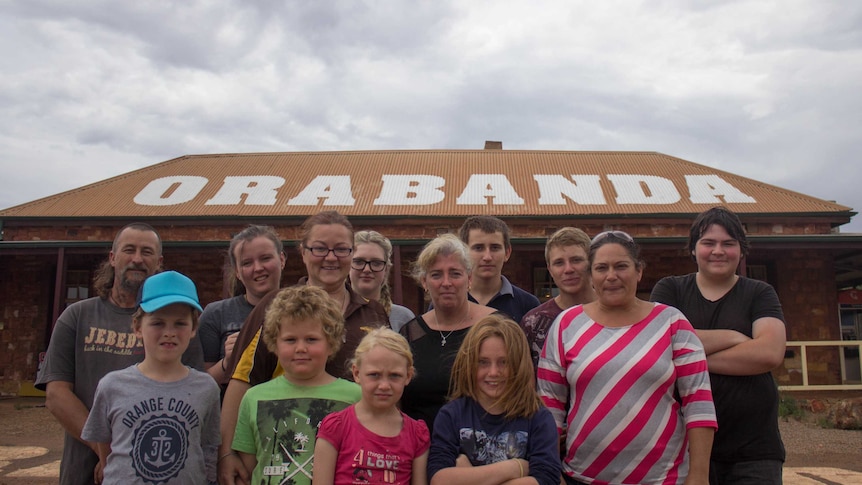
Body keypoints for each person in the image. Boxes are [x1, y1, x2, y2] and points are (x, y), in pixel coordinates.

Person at [218, 211, 388, 485]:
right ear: (303, 252)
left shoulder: (374, 313)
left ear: (352, 253)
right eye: (320, 248)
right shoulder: (274, 306)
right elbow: (241, 380)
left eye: (341, 249)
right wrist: (226, 454)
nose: (330, 257)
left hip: (353, 464)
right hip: (284, 459)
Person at [538, 230, 717, 485]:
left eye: (621, 266)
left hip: (662, 478)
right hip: (582, 477)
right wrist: (551, 470)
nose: (611, 276)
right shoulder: (566, 325)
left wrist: (699, 475)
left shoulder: (672, 323)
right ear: (591, 276)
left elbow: (698, 402)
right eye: (601, 268)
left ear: (639, 271)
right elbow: (549, 405)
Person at [35, 222, 204, 485]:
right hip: (82, 469)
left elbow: (189, 392)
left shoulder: (176, 327)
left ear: (158, 262)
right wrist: (105, 449)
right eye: (129, 250)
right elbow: (57, 395)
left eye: (146, 252)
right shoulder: (77, 317)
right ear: (113, 258)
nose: (137, 259)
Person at [650, 207, 787, 485]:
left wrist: (687, 357)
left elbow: (769, 353)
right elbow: (658, 343)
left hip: (754, 450)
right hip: (682, 446)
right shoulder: (670, 290)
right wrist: (735, 337)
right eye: (708, 243)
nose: (718, 251)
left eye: (728, 243)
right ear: (693, 249)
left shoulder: (760, 293)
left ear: (741, 249)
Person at [81, 271, 220, 484]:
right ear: (137, 327)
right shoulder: (112, 386)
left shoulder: (206, 388)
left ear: (193, 328)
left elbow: (207, 446)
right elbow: (105, 446)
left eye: (180, 323)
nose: (169, 332)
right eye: (158, 323)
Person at [230, 285, 362, 485]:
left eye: (311, 339)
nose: (301, 348)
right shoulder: (253, 398)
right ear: (275, 342)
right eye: (290, 340)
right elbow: (251, 462)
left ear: (331, 342)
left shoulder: (356, 397)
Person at [428, 314, 562, 485]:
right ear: (469, 363)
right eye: (483, 362)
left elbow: (546, 479)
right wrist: (515, 468)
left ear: (518, 364)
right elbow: (439, 479)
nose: (493, 372)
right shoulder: (451, 415)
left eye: (503, 362)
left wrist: (468, 476)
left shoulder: (538, 418)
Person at [398, 234, 497, 432]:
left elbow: (518, 390)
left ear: (469, 279)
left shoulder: (496, 326)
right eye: (436, 275)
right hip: (420, 449)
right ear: (424, 282)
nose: (446, 282)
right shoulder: (410, 333)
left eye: (455, 273)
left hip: (481, 450)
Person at [313, 328, 430, 485]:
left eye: (394, 375)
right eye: (374, 375)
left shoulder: (417, 435)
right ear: (357, 373)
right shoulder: (336, 427)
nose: (384, 385)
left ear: (408, 376)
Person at [198, 225, 285, 388]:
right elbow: (199, 386)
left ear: (282, 260)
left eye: (265, 258)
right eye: (247, 263)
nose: (258, 268)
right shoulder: (216, 314)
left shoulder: (302, 309)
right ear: (237, 272)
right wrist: (228, 361)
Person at [520, 227, 596, 369]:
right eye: (559, 263)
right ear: (550, 269)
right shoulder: (533, 323)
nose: (568, 269)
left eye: (576, 260)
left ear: (591, 263)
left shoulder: (614, 312)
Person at [458, 216, 539, 322]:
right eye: (478, 248)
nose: (487, 257)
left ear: (507, 252)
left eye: (495, 248)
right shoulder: (449, 302)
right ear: (464, 253)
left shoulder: (528, 305)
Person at [351, 230, 415, 332]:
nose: (367, 269)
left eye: (376, 263)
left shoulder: (403, 318)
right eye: (359, 262)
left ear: (386, 269)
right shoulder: (332, 314)